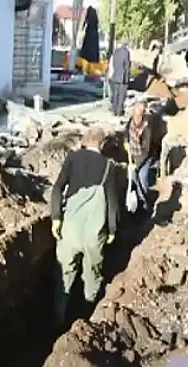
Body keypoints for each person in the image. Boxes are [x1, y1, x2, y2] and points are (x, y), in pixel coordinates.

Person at [50, 127, 120, 323]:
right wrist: (112, 229)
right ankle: (86, 318)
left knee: (65, 273)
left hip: (69, 229)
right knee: (92, 275)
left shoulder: (72, 158)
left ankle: (59, 318)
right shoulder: (109, 166)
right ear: (102, 144)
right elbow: (112, 201)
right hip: (94, 232)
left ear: (85, 141)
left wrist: (56, 217)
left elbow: (57, 188)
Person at [124, 102, 155, 213]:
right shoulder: (131, 121)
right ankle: (135, 203)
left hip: (145, 159)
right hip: (133, 155)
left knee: (142, 180)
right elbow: (126, 131)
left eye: (138, 116)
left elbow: (146, 151)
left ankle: (145, 205)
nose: (135, 118)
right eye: (134, 115)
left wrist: (136, 165)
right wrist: (126, 141)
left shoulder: (147, 129)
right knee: (133, 180)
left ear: (142, 116)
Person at [109, 43, 131, 116]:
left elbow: (114, 63)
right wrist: (127, 77)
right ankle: (119, 112)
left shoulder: (116, 51)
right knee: (121, 96)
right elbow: (127, 65)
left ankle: (114, 111)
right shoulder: (126, 52)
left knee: (115, 94)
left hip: (115, 76)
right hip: (122, 77)